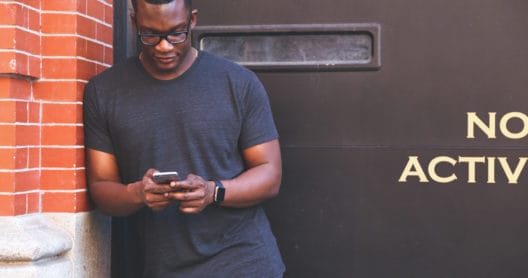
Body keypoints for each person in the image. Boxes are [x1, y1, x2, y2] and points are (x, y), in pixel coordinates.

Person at [82, 0, 285, 276]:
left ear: (192, 20)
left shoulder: (238, 83)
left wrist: (214, 191)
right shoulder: (103, 92)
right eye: (150, 34)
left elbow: (270, 174)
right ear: (134, 23)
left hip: (243, 261)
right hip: (161, 265)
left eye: (176, 33)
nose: (164, 46)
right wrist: (137, 193)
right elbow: (102, 187)